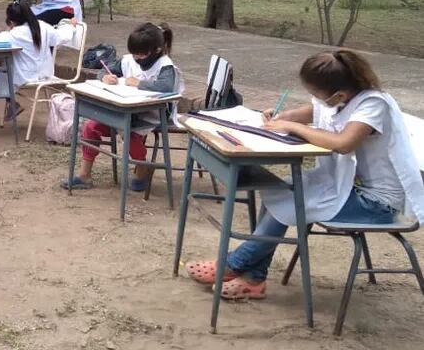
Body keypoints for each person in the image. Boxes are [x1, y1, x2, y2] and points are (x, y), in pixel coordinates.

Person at [185, 49, 424, 300]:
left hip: (377, 204)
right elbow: (314, 110)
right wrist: (282, 116)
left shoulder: (374, 104)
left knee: (293, 197)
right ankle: (254, 278)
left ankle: (234, 264)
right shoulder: (344, 97)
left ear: (339, 94)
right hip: (351, 188)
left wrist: (291, 126)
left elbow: (344, 143)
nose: (315, 100)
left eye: (317, 94)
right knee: (282, 188)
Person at [63, 22, 184, 192]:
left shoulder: (165, 66)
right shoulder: (128, 60)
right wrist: (105, 76)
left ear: (156, 50)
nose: (136, 58)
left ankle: (142, 168)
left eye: (140, 55)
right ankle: (84, 175)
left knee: (129, 133)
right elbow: (103, 70)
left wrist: (140, 83)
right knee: (91, 128)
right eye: (134, 53)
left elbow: (166, 87)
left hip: (149, 116)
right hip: (122, 110)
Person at [0, 0, 78, 136]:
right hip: (44, 73)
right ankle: (12, 104)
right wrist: (71, 26)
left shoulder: (13, 35)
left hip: (24, 76)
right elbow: (60, 37)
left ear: (12, 22)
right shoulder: (42, 26)